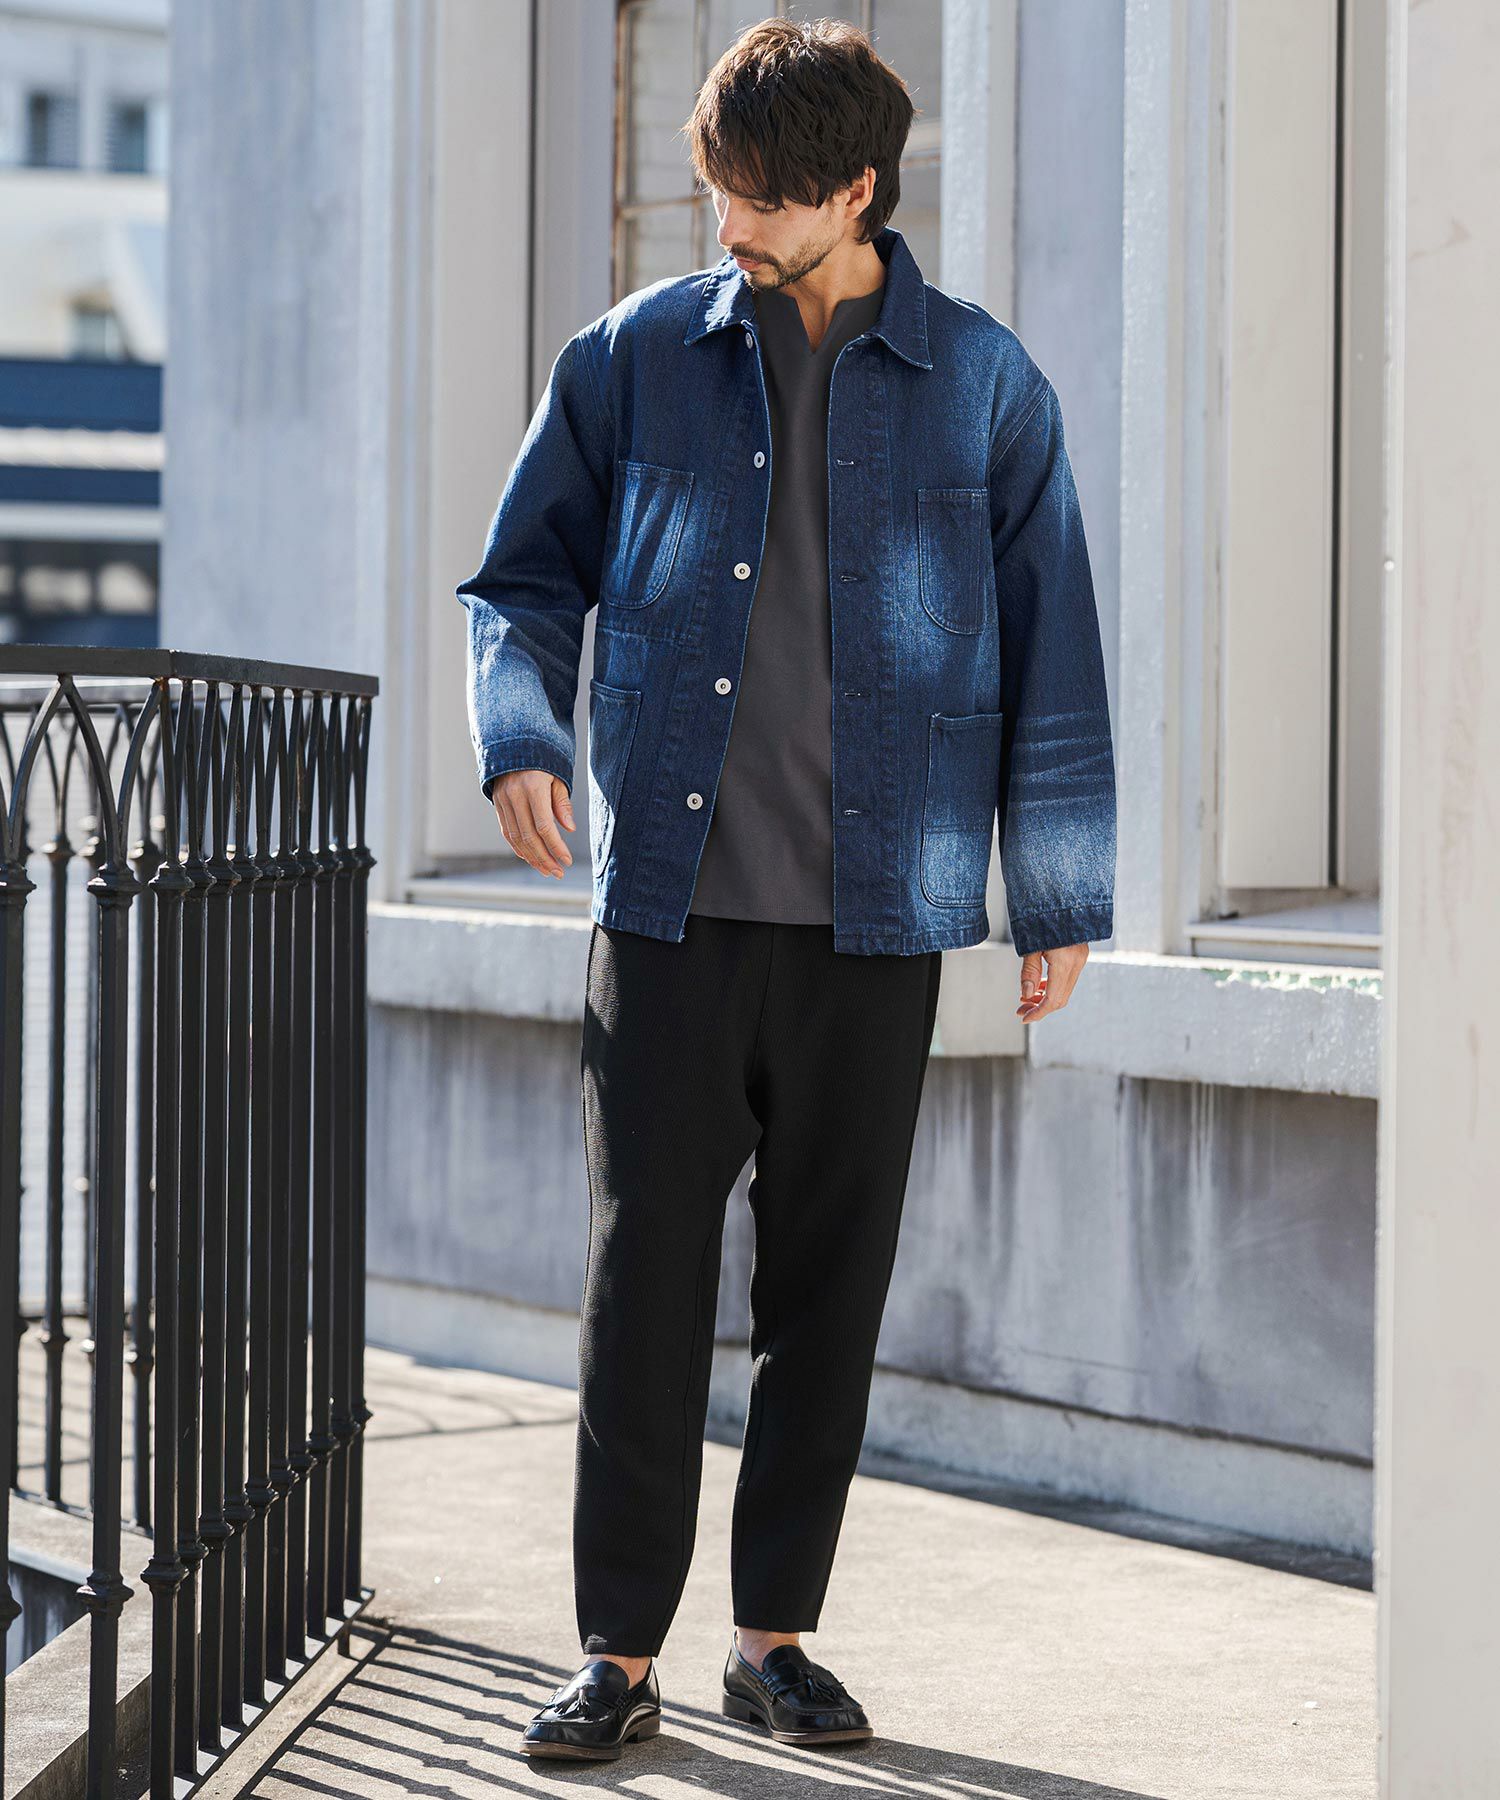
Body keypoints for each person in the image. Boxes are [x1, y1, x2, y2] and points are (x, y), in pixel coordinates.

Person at [456, 15, 1116, 1764]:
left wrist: (1057, 893)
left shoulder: (985, 385)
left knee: (829, 1290)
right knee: (642, 1288)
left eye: (763, 199)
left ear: (858, 191)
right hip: (670, 910)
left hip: (878, 917)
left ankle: (773, 1642)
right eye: (720, 191)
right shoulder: (634, 358)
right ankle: (618, 1655)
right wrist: (518, 733)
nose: (730, 225)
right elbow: (518, 581)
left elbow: (1054, 639)